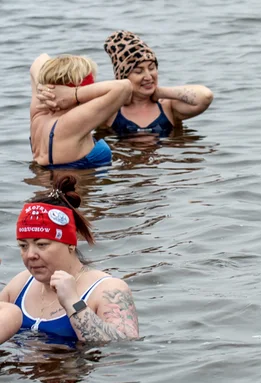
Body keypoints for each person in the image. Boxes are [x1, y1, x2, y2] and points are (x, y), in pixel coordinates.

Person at [0, 175, 139, 344]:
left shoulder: (108, 289)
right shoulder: (21, 285)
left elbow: (125, 349)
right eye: (23, 246)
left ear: (71, 243)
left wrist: (73, 303)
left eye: (42, 244)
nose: (30, 254)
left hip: (73, 368)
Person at [101, 31, 213, 137]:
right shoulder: (111, 111)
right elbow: (83, 102)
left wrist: (159, 92)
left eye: (151, 68)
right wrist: (119, 92)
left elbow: (205, 96)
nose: (148, 77)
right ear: (123, 78)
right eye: (138, 71)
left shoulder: (168, 107)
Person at [29, 54, 129, 169]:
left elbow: (39, 59)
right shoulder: (69, 124)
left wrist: (43, 88)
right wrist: (74, 94)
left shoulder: (39, 112)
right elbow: (124, 87)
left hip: (49, 184)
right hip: (78, 185)